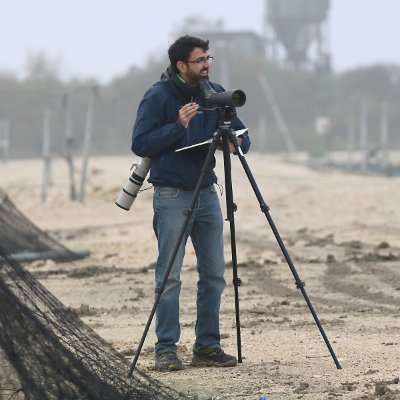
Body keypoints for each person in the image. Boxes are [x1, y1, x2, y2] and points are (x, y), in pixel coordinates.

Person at [131, 35, 250, 371]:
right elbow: (140, 142)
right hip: (171, 194)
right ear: (181, 65)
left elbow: (243, 138)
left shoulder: (215, 93)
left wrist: (232, 143)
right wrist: (178, 126)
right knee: (169, 276)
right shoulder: (158, 96)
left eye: (208, 58)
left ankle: (208, 346)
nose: (206, 65)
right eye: (200, 60)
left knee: (214, 274)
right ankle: (165, 349)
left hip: (208, 194)